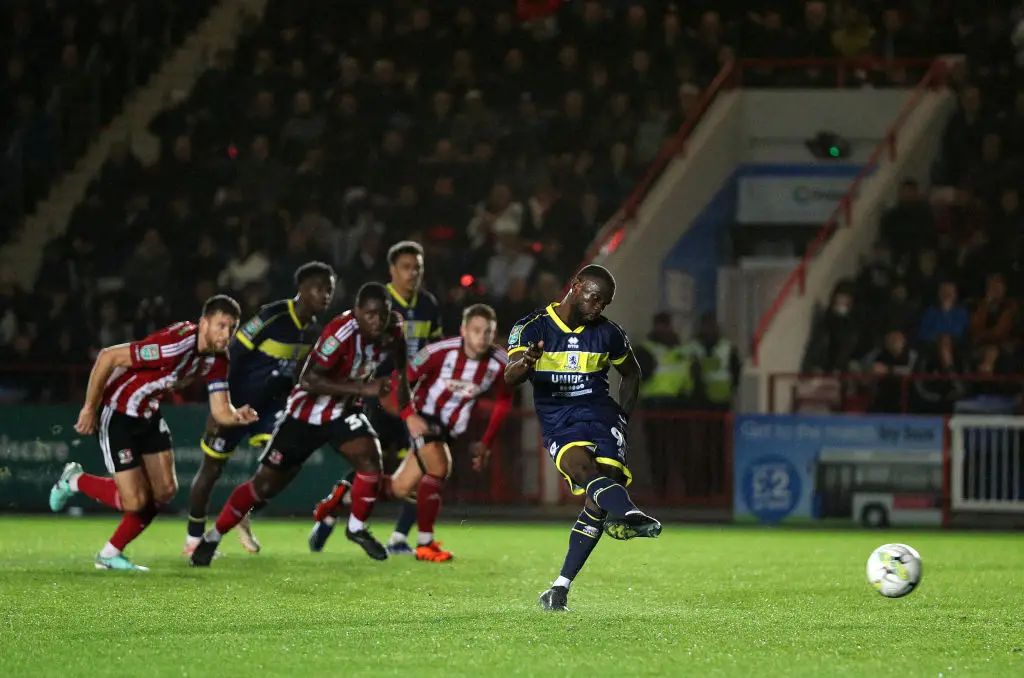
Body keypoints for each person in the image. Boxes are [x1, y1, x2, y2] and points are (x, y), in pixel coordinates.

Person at [189, 283, 410, 567]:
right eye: (369, 314)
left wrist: (403, 384)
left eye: (382, 314)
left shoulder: (393, 329)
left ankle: (356, 528)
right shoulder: (340, 332)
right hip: (305, 414)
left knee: (370, 460)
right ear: (356, 312)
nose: (376, 321)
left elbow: (400, 353)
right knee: (264, 487)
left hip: (342, 412)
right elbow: (308, 380)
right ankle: (213, 536)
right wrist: (364, 387)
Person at [48, 296, 257, 571]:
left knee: (165, 490)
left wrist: (236, 415)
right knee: (134, 501)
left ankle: (109, 554)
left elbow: (221, 410)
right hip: (118, 413)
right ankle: (74, 480)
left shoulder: (218, 360)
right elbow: (108, 356)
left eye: (232, 328)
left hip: (148, 415)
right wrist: (89, 408)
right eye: (220, 325)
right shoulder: (172, 346)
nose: (226, 334)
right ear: (204, 323)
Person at [504, 264, 661, 612]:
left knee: (603, 492)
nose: (598, 308)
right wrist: (526, 363)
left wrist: (623, 416)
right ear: (575, 287)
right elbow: (509, 376)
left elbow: (631, 373)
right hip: (560, 419)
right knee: (582, 471)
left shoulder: (609, 333)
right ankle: (629, 513)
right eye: (594, 298)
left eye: (604, 303)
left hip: (602, 413)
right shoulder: (531, 327)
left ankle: (559, 590)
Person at [309, 303, 513, 562]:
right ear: (463, 330)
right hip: (421, 417)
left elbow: (504, 400)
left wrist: (486, 441)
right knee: (439, 467)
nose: (482, 337)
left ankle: (339, 498)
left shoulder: (499, 362)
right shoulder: (438, 352)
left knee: (398, 488)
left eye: (488, 332)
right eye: (476, 330)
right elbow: (399, 381)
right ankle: (425, 543)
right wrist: (409, 417)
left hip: (447, 429)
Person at [184, 262, 336, 557]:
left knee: (284, 468)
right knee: (211, 469)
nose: (326, 295)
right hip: (235, 404)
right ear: (302, 290)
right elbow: (231, 355)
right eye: (320, 288)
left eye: (330, 289)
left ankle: (243, 509)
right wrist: (219, 408)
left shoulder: (313, 331)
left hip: (269, 411)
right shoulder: (273, 317)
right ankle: (193, 539)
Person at [374, 240, 445, 556]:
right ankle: (333, 516)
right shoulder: (378, 303)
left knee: (425, 463)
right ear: (392, 270)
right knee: (369, 464)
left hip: (415, 401)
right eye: (406, 267)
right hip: (379, 396)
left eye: (417, 267)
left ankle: (399, 537)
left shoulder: (429, 304)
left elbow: (437, 351)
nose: (413, 272)